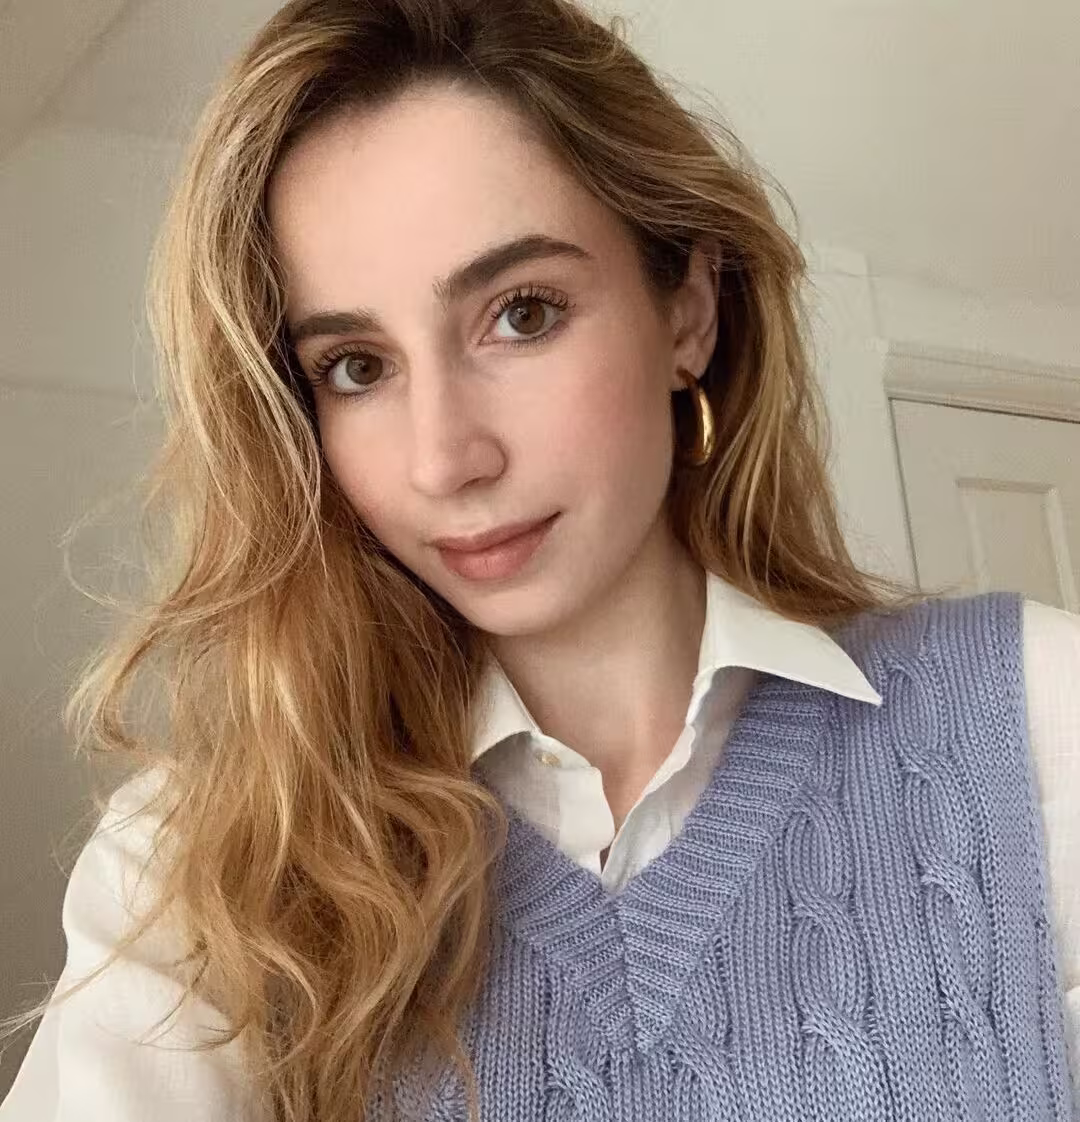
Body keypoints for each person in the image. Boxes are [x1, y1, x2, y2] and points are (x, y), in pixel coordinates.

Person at [1, 0, 1077, 1119]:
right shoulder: (199, 866)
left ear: (688, 311)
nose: (445, 459)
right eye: (356, 367)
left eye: (521, 314)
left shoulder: (1035, 722)